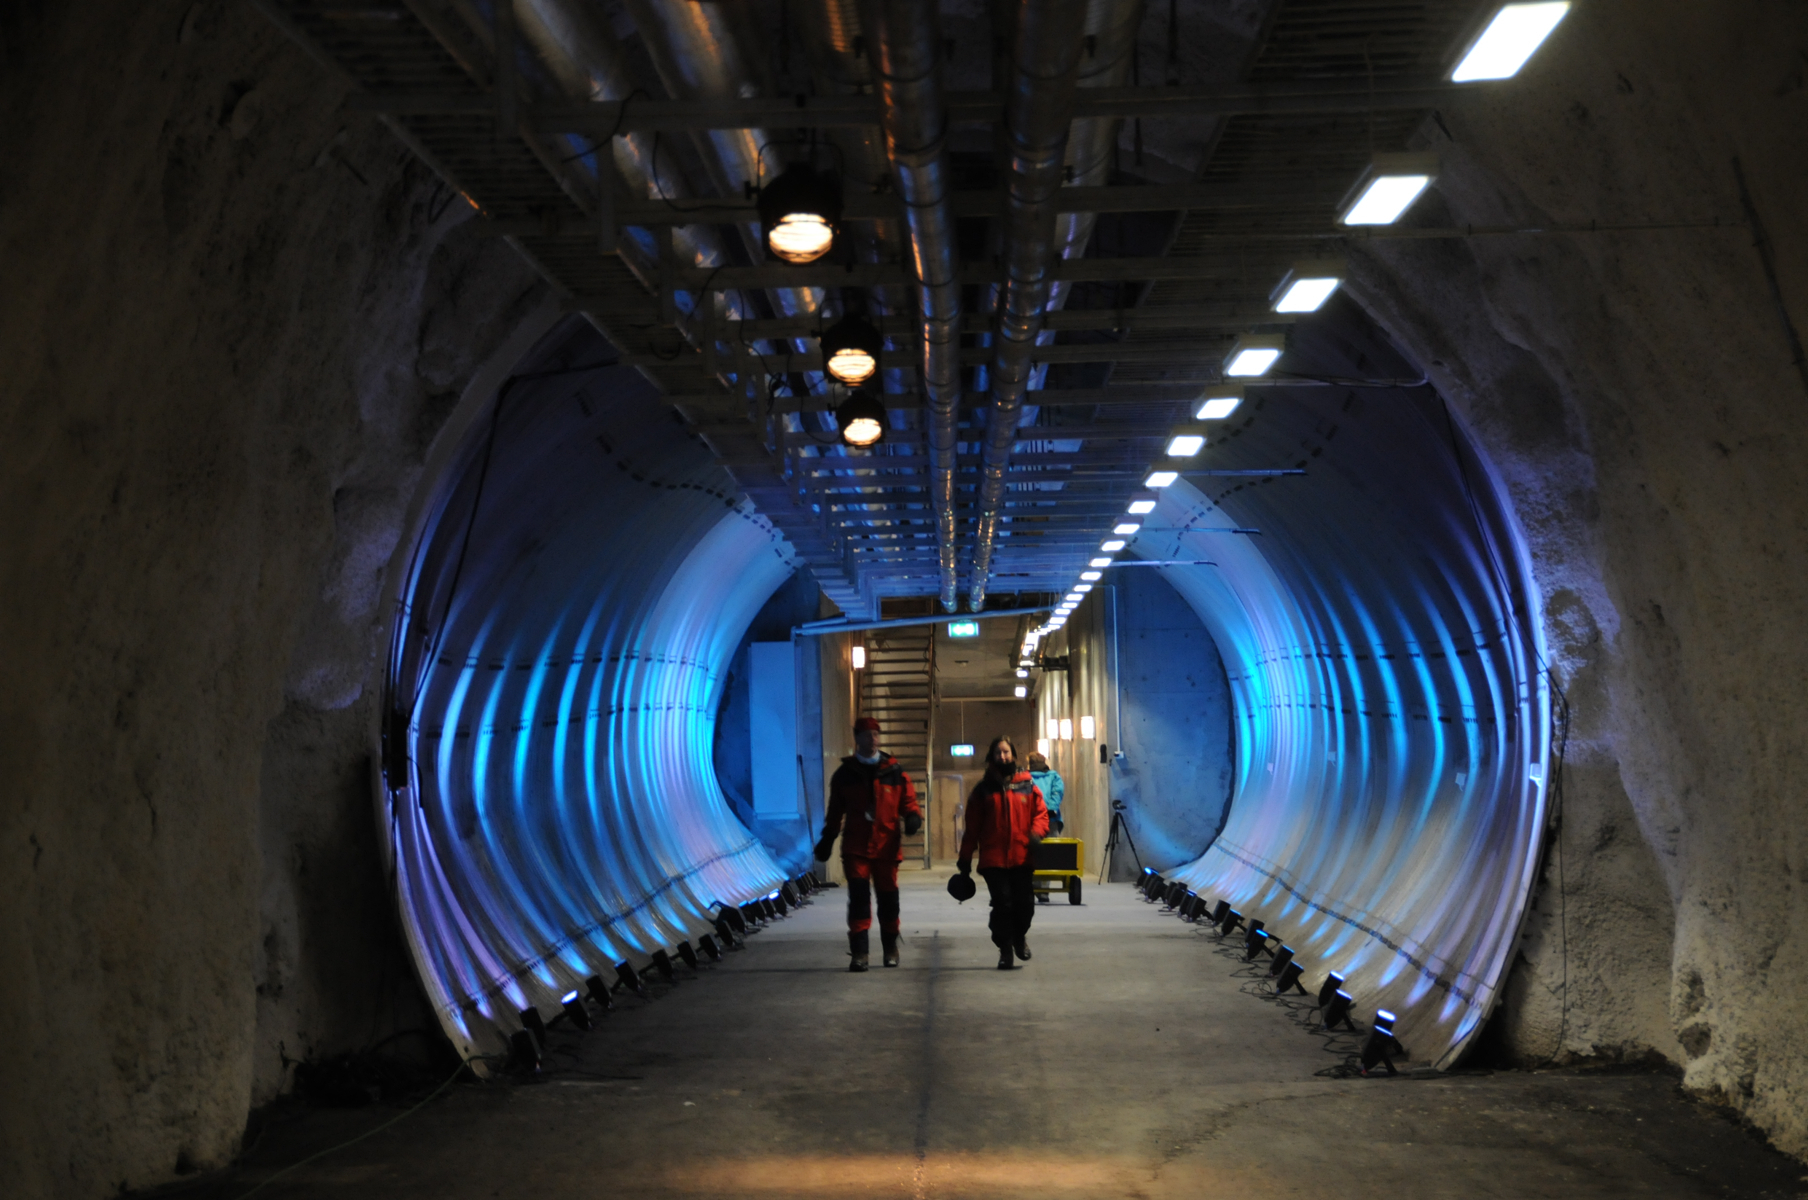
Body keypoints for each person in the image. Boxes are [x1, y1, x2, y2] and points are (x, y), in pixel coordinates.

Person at [816, 716, 922, 972]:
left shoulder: (895, 772)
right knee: (859, 899)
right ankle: (860, 953)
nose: (872, 739)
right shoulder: (845, 775)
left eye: (875, 734)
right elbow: (835, 811)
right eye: (867, 735)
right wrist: (828, 838)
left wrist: (912, 818)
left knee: (889, 901)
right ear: (857, 738)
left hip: (886, 847)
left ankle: (890, 949)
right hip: (857, 848)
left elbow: (908, 802)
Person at [956, 736, 1049, 970]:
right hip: (994, 860)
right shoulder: (982, 790)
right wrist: (965, 860)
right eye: (998, 753)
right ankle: (1005, 948)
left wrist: (1036, 834)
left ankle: (1019, 937)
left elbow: (1041, 814)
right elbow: (972, 828)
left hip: (1022, 856)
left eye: (1006, 752)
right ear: (991, 757)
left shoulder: (1027, 784)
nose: (1003, 756)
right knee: (1003, 904)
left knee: (1025, 905)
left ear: (1014, 755)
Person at [1026, 750, 1065, 836]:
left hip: (1032, 820)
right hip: (1051, 819)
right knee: (1052, 847)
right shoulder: (1054, 776)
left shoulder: (1025, 778)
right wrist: (1051, 809)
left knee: (1033, 846)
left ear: (1030, 764)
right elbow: (1057, 792)